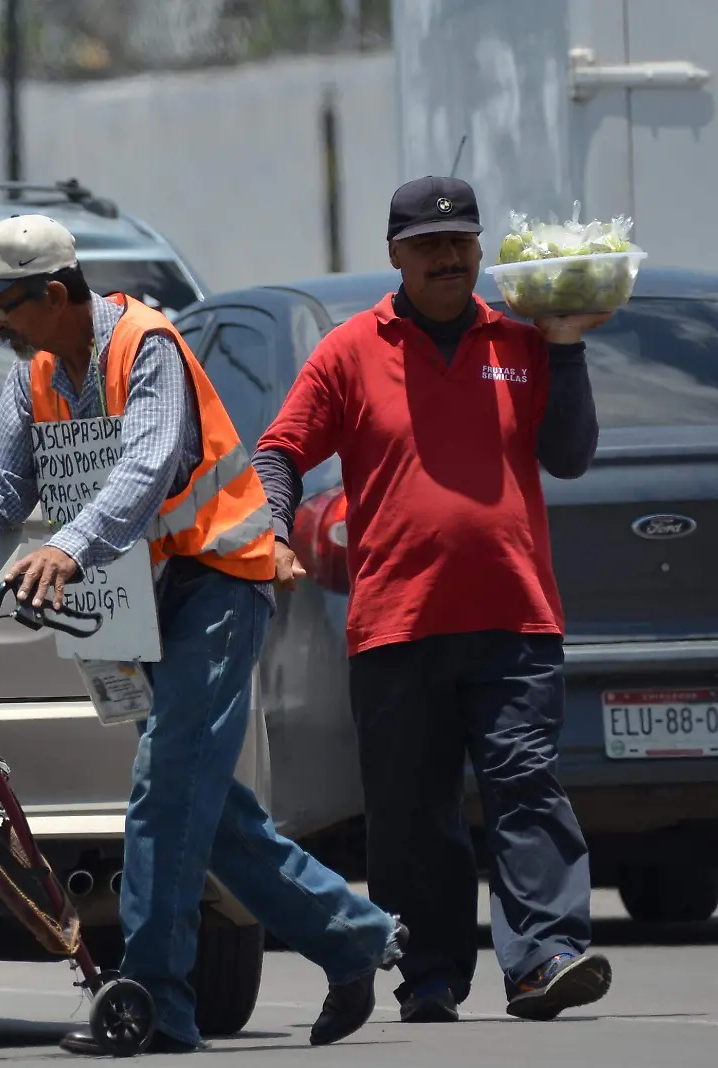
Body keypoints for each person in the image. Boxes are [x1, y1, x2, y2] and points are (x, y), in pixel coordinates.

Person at [0, 214, 406, 1055]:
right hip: (138, 593)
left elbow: (146, 466)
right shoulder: (38, 372)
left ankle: (155, 1003)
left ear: (52, 294)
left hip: (220, 579)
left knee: (161, 791)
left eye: (1, 306)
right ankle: (349, 934)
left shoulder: (146, 344)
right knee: (203, 805)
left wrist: (70, 547)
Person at [253, 175, 613, 1023]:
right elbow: (280, 451)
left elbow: (569, 457)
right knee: (414, 811)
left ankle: (545, 957)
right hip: (396, 623)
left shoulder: (522, 341)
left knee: (525, 782)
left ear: (480, 249)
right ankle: (433, 973)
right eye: (428, 246)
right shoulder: (350, 351)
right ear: (396, 256)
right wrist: (271, 533)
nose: (448, 258)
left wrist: (567, 346)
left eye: (460, 242)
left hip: (515, 614)